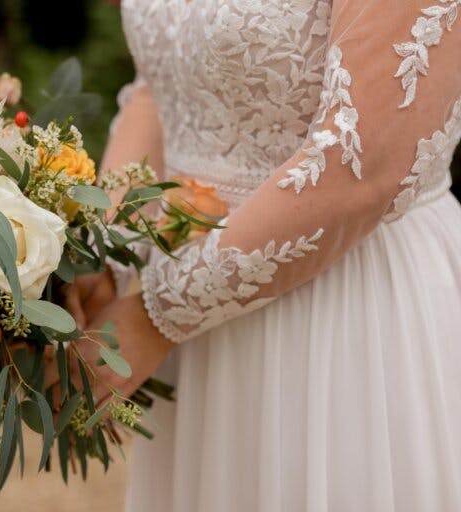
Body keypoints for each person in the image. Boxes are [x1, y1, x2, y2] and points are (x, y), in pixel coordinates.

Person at [64, 1, 461, 510]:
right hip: (195, 318)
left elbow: (362, 160)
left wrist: (161, 311)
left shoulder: (163, 313)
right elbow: (162, 90)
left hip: (341, 315)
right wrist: (107, 255)